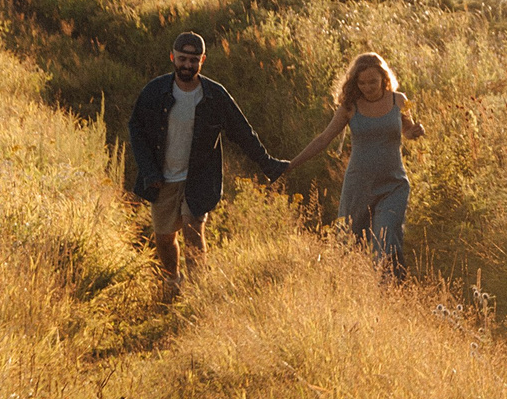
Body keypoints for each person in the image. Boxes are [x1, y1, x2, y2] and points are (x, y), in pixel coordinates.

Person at [126, 31, 290, 301]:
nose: (187, 66)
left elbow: (242, 133)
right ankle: (173, 280)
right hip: (163, 178)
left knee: (193, 231)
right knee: (165, 239)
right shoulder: (155, 91)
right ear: (172, 57)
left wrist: (267, 164)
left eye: (193, 60)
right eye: (182, 59)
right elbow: (136, 129)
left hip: (200, 177)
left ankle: (198, 293)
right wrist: (148, 171)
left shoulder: (215, 96)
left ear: (203, 60)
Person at [290, 52, 425, 270]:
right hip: (359, 186)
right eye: (361, 82)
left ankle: (390, 288)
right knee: (350, 243)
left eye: (372, 81)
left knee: (387, 236)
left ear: (384, 77)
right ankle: (356, 290)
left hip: (394, 184)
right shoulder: (350, 107)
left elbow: (408, 131)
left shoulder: (398, 100)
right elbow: (324, 139)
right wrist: (291, 164)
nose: (368, 87)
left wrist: (416, 131)